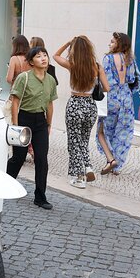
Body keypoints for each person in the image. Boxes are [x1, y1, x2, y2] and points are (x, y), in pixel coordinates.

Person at [6, 47, 58, 210]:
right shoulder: (24, 78)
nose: (43, 58)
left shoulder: (50, 80)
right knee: (19, 157)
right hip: (24, 118)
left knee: (42, 159)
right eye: (38, 56)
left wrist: (49, 124)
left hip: (40, 121)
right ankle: (6, 184)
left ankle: (40, 197)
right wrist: (16, 125)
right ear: (31, 62)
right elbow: (15, 101)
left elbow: (50, 103)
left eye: (45, 55)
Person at [54, 36, 109, 189]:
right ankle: (88, 167)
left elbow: (55, 56)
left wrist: (67, 43)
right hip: (91, 106)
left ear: (75, 51)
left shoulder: (73, 65)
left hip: (75, 105)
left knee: (74, 142)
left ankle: (79, 177)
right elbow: (107, 88)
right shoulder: (97, 67)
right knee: (83, 141)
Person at [95, 32, 140, 175]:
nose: (109, 44)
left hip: (111, 97)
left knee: (102, 131)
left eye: (112, 42)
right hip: (126, 98)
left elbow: (105, 81)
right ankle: (117, 165)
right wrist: (127, 90)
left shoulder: (108, 59)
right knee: (122, 132)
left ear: (119, 44)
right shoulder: (130, 59)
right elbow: (137, 80)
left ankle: (111, 160)